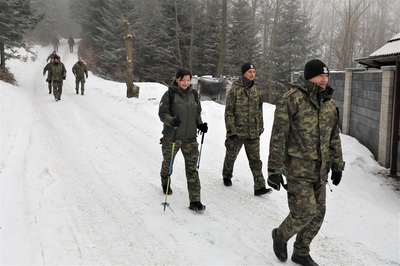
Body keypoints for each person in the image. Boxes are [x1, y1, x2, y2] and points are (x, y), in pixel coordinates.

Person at [268, 59, 345, 266]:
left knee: (318, 214)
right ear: (309, 76)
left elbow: (333, 137)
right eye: (320, 75)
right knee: (305, 212)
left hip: (321, 170)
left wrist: (338, 165)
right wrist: (274, 169)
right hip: (297, 169)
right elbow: (278, 136)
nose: (324, 80)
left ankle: (301, 252)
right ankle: (280, 235)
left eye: (327, 76)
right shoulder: (291, 99)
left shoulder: (328, 103)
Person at [158, 68, 208, 212]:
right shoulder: (169, 95)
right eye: (183, 80)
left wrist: (200, 125)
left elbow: (197, 113)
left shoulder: (194, 94)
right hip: (172, 137)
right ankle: (165, 181)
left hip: (190, 138)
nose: (186, 83)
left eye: (188, 80)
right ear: (177, 80)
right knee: (168, 163)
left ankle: (195, 201)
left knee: (192, 170)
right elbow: (162, 113)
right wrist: (171, 121)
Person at [222, 62, 271, 196]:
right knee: (231, 156)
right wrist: (231, 130)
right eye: (250, 72)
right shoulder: (235, 89)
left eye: (254, 72)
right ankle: (227, 175)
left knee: (256, 160)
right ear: (244, 73)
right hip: (237, 131)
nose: (252, 74)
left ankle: (260, 186)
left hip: (253, 132)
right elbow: (229, 111)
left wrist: (260, 126)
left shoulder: (257, 89)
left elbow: (259, 110)